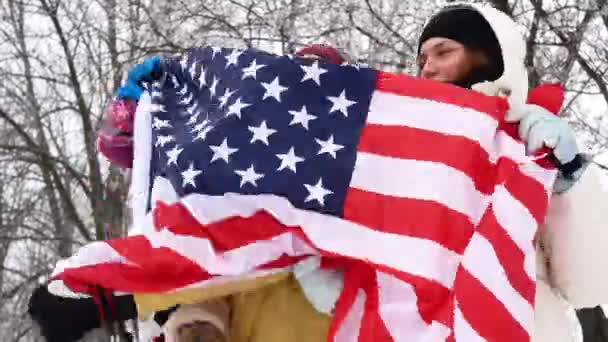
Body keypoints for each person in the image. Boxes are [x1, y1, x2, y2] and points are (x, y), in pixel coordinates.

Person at [46, 3, 608, 342]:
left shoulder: (536, 147)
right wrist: (109, 290)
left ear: (494, 58)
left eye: (444, 51)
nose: (428, 67)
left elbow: (592, 284)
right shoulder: (383, 165)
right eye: (421, 58)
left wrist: (570, 182)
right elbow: (240, 234)